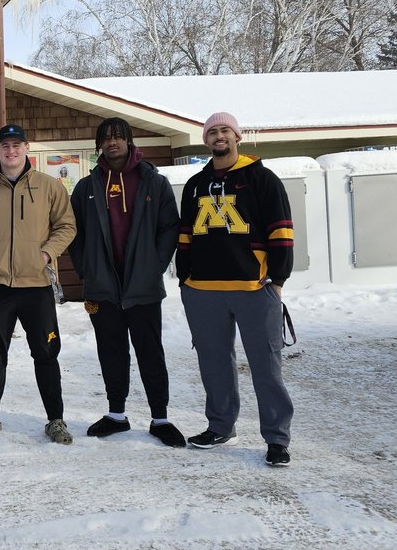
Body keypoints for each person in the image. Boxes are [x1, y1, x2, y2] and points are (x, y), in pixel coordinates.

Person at [176, 111, 295, 467]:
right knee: (213, 363)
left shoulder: (262, 178)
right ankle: (220, 426)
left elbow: (281, 232)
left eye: (224, 130)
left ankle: (276, 438)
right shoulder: (195, 183)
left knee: (265, 365)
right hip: (202, 290)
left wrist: (277, 281)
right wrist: (186, 280)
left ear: (237, 136)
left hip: (253, 288)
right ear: (205, 140)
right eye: (212, 132)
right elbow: (185, 235)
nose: (218, 136)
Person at [69, 117, 185, 448]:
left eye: (118, 137)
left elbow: (169, 228)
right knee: (111, 352)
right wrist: (87, 271)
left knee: (150, 351)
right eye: (105, 138)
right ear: (99, 145)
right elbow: (73, 233)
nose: (112, 142)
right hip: (103, 286)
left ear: (129, 141)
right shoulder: (87, 187)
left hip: (143, 286)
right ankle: (116, 415)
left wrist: (155, 266)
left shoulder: (153, 182)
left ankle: (160, 418)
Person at [0, 123, 77, 445]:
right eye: (4, 146)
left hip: (36, 285)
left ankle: (55, 419)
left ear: (27, 148)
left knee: (46, 352)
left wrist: (46, 254)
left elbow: (66, 226)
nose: (10, 151)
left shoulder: (49, 187)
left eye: (16, 145)